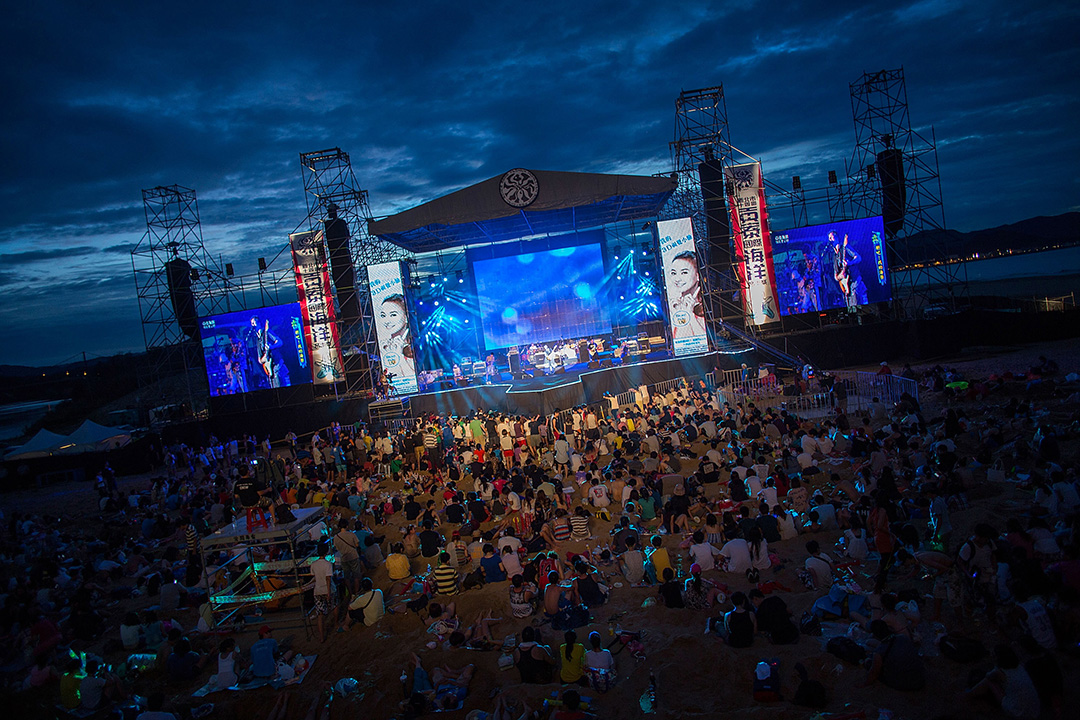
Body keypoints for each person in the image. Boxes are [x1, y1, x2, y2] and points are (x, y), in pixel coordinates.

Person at [964, 644, 1040, 719]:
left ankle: (969, 694)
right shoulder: (1019, 666)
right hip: (1035, 708)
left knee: (988, 681)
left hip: (1018, 711)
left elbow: (988, 676)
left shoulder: (999, 672)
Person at [858, 620, 925, 691]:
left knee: (868, 662)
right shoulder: (903, 637)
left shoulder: (879, 652)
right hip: (920, 676)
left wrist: (864, 684)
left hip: (907, 683)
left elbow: (874, 673)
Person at [667, 250, 706, 340]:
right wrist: (676, 313)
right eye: (673, 273)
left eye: (684, 272)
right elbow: (677, 338)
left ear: (697, 275)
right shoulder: (674, 304)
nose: (677, 279)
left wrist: (690, 314)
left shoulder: (704, 302)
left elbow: (704, 339)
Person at [378, 294, 415, 384]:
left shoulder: (414, 343)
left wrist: (399, 355)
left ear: (406, 317)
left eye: (393, 315)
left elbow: (412, 378)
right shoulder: (384, 345)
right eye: (383, 316)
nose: (387, 321)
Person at [827, 230, 868, 309]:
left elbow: (858, 258)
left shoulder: (845, 247)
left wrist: (850, 263)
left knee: (860, 307)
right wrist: (841, 275)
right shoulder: (834, 257)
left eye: (832, 237)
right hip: (847, 286)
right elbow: (836, 277)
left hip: (855, 282)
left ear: (837, 237)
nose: (831, 239)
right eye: (829, 238)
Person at [310, 542, 335, 642]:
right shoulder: (328, 564)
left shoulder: (314, 564)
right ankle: (336, 624)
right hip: (328, 589)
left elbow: (314, 577)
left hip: (318, 591)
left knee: (320, 614)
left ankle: (321, 637)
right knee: (335, 606)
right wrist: (328, 592)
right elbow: (328, 579)